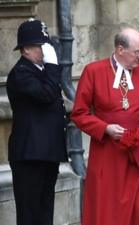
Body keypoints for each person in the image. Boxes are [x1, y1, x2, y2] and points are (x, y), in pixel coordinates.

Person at [71, 27, 139, 225]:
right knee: (109, 210)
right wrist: (105, 128)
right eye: (137, 52)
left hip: (138, 152)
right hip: (107, 153)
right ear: (120, 50)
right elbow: (79, 113)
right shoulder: (94, 71)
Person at [6, 18, 68, 225]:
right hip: (29, 155)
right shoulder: (21, 73)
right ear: (25, 50)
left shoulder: (41, 72)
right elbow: (47, 95)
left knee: (44, 211)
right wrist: (53, 66)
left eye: (46, 45)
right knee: (30, 214)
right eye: (40, 46)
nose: (45, 50)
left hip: (46, 152)